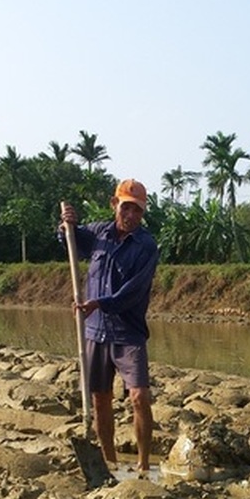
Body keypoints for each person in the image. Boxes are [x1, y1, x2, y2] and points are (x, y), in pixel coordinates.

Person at [60, 179, 159, 473]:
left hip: (127, 331)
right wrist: (68, 225)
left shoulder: (146, 246)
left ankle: (143, 466)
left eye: (137, 211)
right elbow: (70, 242)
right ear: (114, 204)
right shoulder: (98, 233)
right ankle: (110, 462)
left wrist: (99, 303)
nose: (131, 216)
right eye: (126, 208)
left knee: (139, 396)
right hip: (95, 329)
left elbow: (134, 291)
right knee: (100, 398)